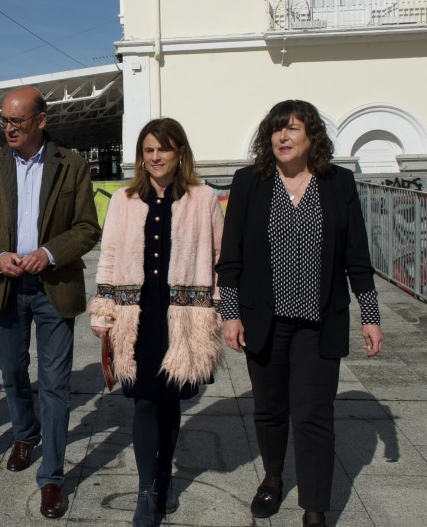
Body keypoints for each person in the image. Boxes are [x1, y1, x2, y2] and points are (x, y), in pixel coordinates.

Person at [217, 100, 384, 527]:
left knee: (313, 414)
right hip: (264, 322)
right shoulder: (250, 183)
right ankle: (272, 477)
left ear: (312, 137)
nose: (283, 138)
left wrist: (370, 314)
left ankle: (315, 506)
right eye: (277, 130)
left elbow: (356, 256)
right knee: (270, 410)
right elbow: (231, 257)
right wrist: (230, 314)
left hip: (318, 322)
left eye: (293, 129)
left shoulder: (338, 183)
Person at [0, 86, 101, 519]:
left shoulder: (72, 166)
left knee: (56, 385)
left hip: (53, 288)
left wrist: (50, 252)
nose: (8, 128)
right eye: (3, 121)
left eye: (16, 121)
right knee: (11, 371)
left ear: (41, 120)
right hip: (7, 286)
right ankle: (25, 432)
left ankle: (53, 477)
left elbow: (86, 228)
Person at [88, 118, 226, 526]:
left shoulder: (204, 199)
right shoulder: (124, 200)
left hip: (184, 317)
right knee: (144, 402)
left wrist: (220, 308)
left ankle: (164, 479)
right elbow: (109, 256)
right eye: (148, 150)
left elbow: (220, 258)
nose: (155, 157)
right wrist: (103, 310)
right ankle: (147, 492)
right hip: (138, 315)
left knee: (170, 403)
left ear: (179, 151)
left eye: (162, 149)